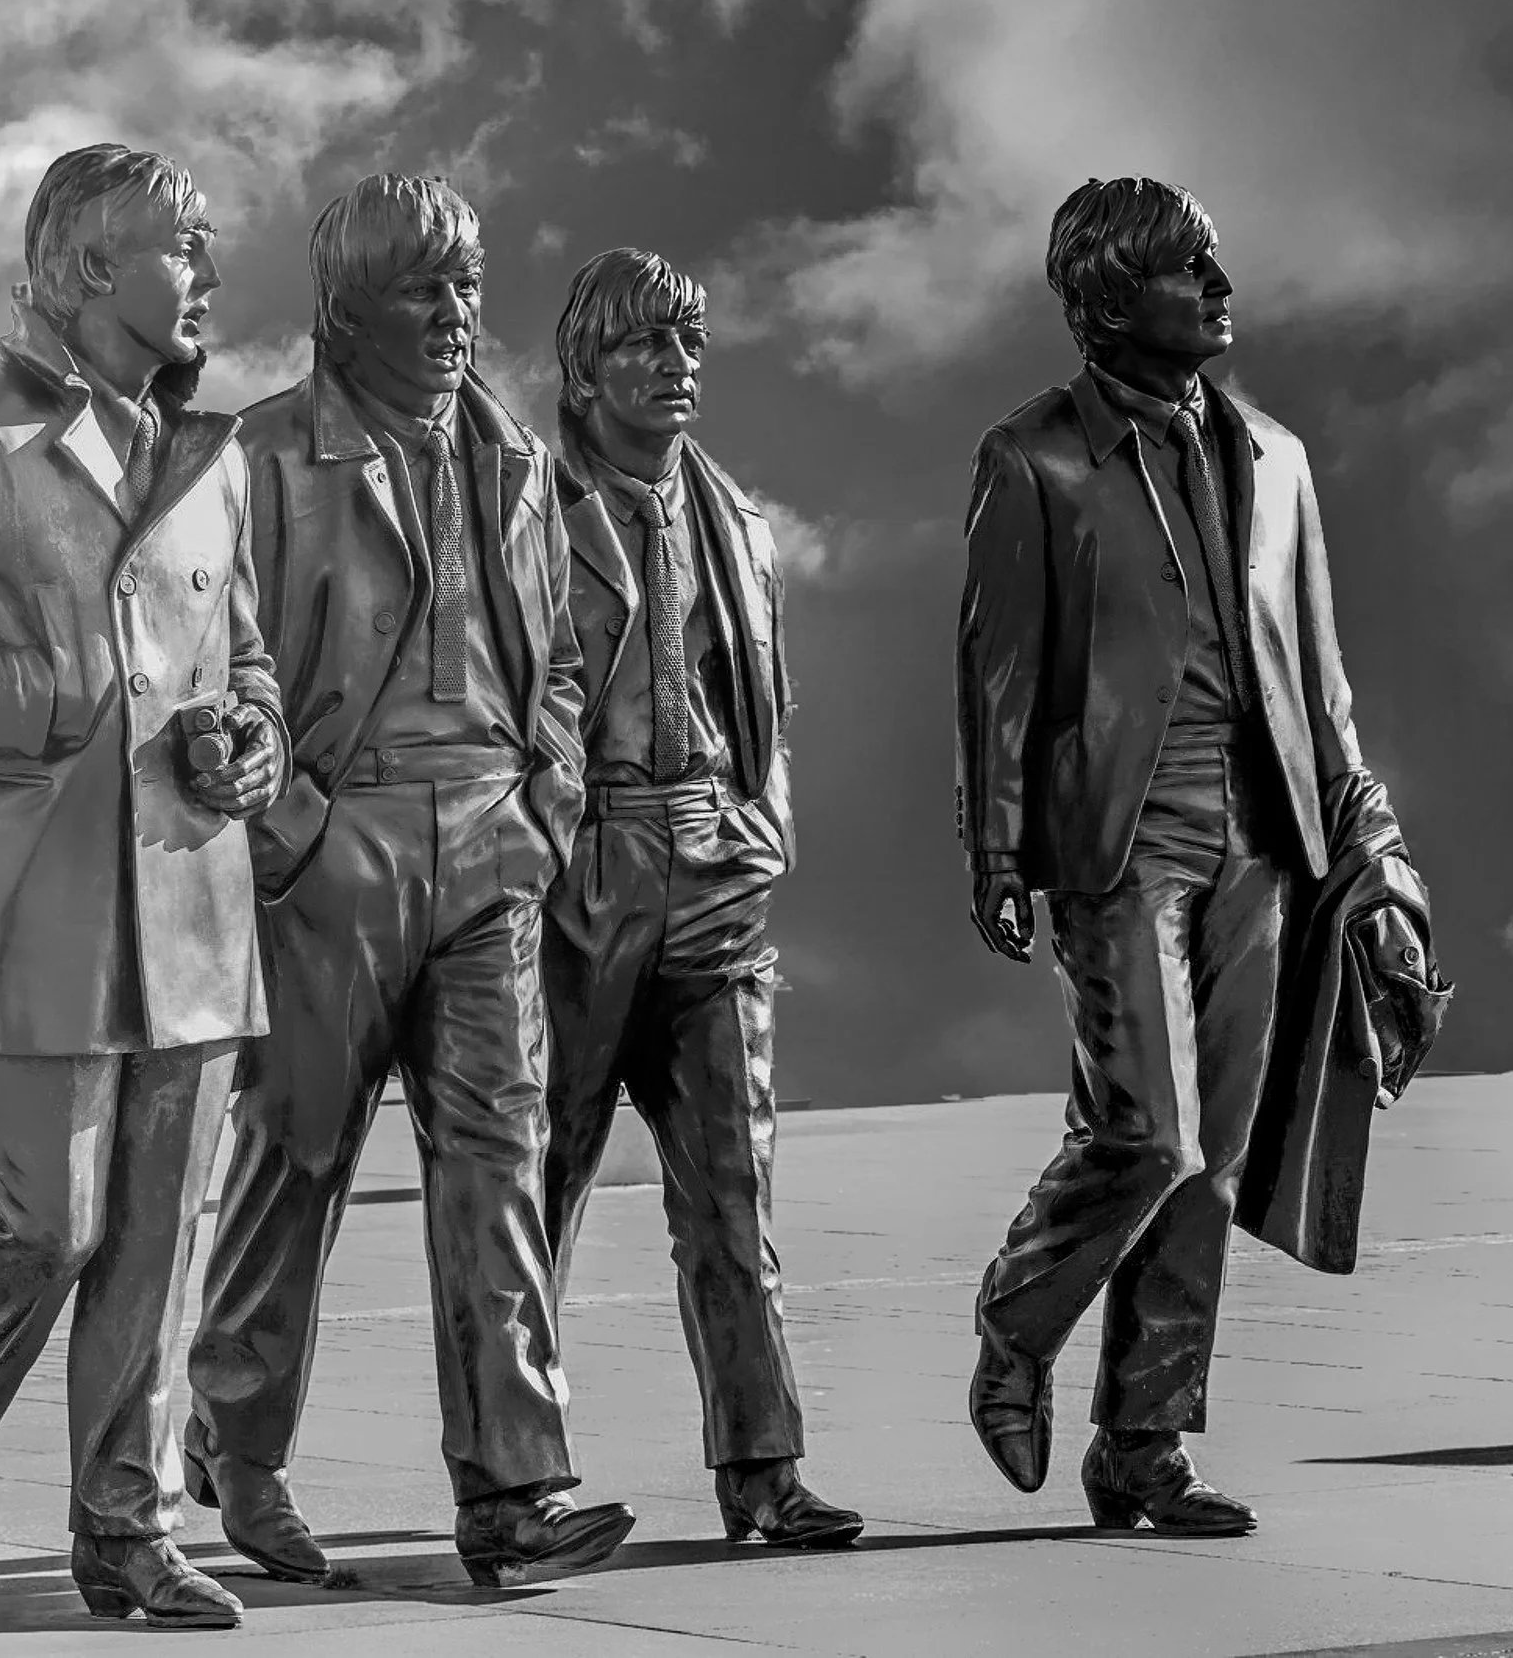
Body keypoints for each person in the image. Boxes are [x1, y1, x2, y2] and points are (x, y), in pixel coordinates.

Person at [0, 143, 286, 1627]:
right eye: (185, 247)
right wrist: (51, 694)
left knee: (162, 1242)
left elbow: (248, 659)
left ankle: (126, 1533)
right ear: (91, 269)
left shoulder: (216, 461)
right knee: (49, 1228)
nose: (209, 274)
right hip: (44, 903)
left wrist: (257, 742)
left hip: (198, 908)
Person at [181, 173, 636, 1591]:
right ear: (350, 308)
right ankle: (238, 1447)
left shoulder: (512, 456)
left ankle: (512, 1492)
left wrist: (545, 798)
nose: (459, 315)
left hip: (490, 844)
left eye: (469, 285)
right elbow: (205, 670)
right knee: (296, 1160)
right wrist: (295, 835)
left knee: (498, 1167)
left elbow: (561, 657)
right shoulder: (257, 458)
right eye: (426, 290)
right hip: (338, 849)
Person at [953, 175, 1422, 1535]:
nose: (1220, 291)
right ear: (1108, 300)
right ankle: (1015, 1321)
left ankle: (1144, 1447)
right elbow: (995, 673)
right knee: (1144, 1131)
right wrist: (995, 843)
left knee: (1214, 1156)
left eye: (1215, 266)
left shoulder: (1277, 456)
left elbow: (1321, 680)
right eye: (1187, 272)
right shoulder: (1031, 459)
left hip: (1262, 831)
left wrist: (1364, 848)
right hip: (1120, 830)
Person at [536, 247, 861, 1550]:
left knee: (734, 1201)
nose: (674, 370)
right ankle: (513, 1482)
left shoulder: (736, 518)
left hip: (716, 893)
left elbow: (766, 705)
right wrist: (581, 823)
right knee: (529, 1202)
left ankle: (764, 1471)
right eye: (644, 346)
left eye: (688, 346)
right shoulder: (531, 508)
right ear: (585, 366)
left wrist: (754, 825)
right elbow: (510, 701)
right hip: (579, 894)